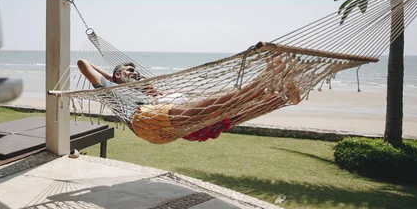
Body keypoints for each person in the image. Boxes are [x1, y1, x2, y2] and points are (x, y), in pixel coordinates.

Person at [76, 57, 301, 144]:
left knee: (225, 115)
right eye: (130, 70)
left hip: (171, 126)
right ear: (116, 75)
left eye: (137, 71)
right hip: (146, 121)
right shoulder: (109, 90)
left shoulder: (145, 93)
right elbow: (83, 63)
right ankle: (263, 82)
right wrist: (114, 79)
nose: (136, 73)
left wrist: (127, 77)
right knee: (216, 106)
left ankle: (279, 97)